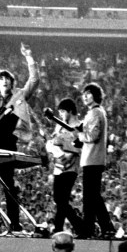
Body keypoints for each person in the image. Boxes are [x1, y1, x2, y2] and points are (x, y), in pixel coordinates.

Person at [0, 42, 39, 233]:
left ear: (12, 83)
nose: (4, 81)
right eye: (1, 79)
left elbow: (34, 80)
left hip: (8, 140)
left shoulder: (20, 95)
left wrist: (29, 57)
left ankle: (14, 221)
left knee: (7, 182)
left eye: (7, 79)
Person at [73, 82, 115, 239]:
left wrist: (80, 136)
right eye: (84, 93)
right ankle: (100, 227)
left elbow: (92, 136)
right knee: (92, 196)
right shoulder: (95, 112)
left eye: (88, 93)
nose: (84, 96)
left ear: (96, 96)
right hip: (92, 159)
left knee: (91, 197)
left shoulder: (96, 113)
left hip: (93, 159)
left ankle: (97, 228)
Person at [45, 98, 84, 235]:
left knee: (62, 199)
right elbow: (52, 142)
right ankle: (59, 228)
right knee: (59, 199)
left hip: (71, 166)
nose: (61, 115)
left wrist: (63, 147)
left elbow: (79, 147)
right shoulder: (59, 126)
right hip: (58, 166)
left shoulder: (79, 126)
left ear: (70, 111)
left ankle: (77, 225)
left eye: (62, 112)